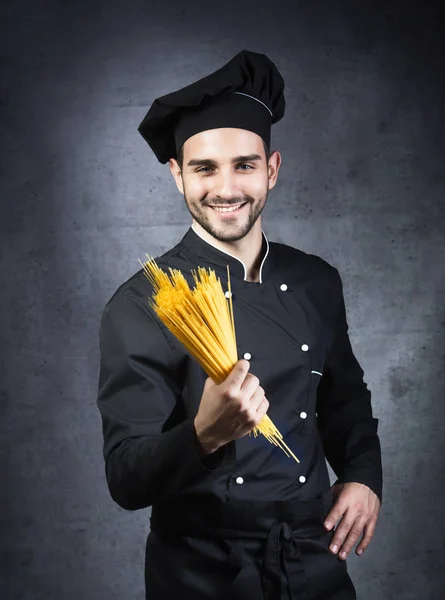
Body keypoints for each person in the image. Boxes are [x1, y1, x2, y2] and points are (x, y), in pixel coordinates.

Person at [96, 49, 383, 599]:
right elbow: (126, 478)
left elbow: (345, 397)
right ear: (178, 175)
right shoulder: (144, 302)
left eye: (244, 165)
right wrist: (205, 433)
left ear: (271, 169)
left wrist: (364, 475)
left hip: (313, 555)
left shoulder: (316, 280)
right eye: (204, 167)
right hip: (204, 570)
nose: (226, 188)